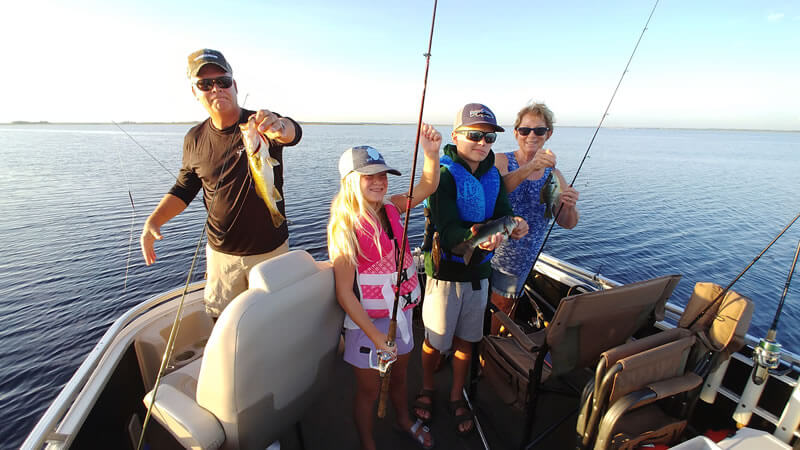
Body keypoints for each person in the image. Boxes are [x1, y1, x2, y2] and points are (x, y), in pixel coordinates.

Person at [140, 48, 302, 319]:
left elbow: (292, 132)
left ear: (234, 86)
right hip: (222, 257)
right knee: (224, 326)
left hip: (271, 252)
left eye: (223, 81)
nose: (216, 89)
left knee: (277, 324)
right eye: (205, 84)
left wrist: (280, 127)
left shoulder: (259, 125)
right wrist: (154, 221)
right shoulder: (194, 138)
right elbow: (184, 187)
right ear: (195, 92)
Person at [415, 103, 528, 435]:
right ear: (456, 136)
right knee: (435, 341)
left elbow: (504, 211)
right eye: (475, 135)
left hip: (479, 276)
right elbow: (447, 227)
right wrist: (473, 239)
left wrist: (515, 225)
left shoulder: (493, 174)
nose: (483, 143)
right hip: (445, 276)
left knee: (468, 339)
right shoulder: (444, 174)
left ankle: (456, 394)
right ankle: (426, 387)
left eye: (489, 138)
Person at [327, 126, 441, 450]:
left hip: (401, 315)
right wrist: (378, 338)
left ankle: (403, 419)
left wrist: (431, 153)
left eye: (383, 175)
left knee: (402, 378)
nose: (379, 181)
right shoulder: (345, 228)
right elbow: (344, 293)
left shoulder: (393, 206)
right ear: (351, 180)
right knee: (369, 391)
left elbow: (429, 184)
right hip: (368, 327)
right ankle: (368, 442)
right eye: (369, 176)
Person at [490, 102, 579, 333]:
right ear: (516, 132)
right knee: (489, 306)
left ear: (548, 134)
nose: (532, 135)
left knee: (505, 307)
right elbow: (495, 192)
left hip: (524, 258)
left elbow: (567, 222)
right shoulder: (500, 160)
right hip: (492, 250)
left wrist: (568, 206)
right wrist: (530, 167)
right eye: (525, 130)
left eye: (539, 130)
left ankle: (492, 352)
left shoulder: (554, 175)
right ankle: (483, 351)